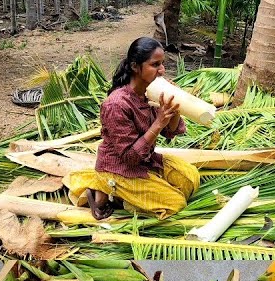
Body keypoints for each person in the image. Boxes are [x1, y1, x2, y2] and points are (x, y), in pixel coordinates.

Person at [65, 37, 200, 219]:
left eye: (162, 64)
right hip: (120, 166)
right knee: (175, 203)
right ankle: (109, 191)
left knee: (190, 179)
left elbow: (170, 132)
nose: (162, 70)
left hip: (145, 159)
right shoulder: (116, 104)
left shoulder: (151, 92)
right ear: (136, 67)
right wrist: (158, 122)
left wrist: (175, 106)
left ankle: (121, 192)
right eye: (155, 65)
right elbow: (130, 157)